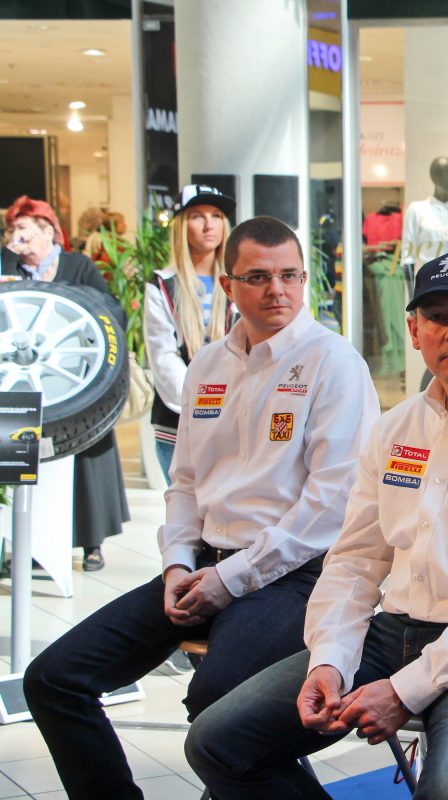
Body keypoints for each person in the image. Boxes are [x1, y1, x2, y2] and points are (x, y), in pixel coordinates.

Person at [185, 251, 448, 800]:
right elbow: (355, 562)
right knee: (216, 742)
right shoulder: (396, 429)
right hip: (394, 632)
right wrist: (330, 660)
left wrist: (403, 691)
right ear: (414, 332)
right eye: (437, 317)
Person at [22, 216, 380, 800]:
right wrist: (177, 565)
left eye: (290, 275)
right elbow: (185, 482)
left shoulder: (333, 363)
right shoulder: (209, 366)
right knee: (54, 679)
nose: (278, 290)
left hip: (294, 576)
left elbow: (330, 507)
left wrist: (231, 579)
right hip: (204, 567)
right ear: (228, 284)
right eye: (258, 277)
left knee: (216, 709)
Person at [2, 196, 130, 571]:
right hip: (21, 386)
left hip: (76, 383)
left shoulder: (77, 265)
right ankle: (25, 546)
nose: (17, 236)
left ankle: (92, 544)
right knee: (20, 464)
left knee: (86, 460)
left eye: (24, 227)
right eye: (13, 229)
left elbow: (111, 310)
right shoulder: (8, 268)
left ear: (48, 231)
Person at [144, 184, 237, 482]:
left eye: (217, 215)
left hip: (235, 418)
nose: (209, 225)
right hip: (178, 422)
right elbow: (163, 356)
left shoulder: (241, 281)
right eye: (197, 216)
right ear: (182, 225)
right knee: (183, 505)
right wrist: (202, 405)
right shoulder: (162, 285)